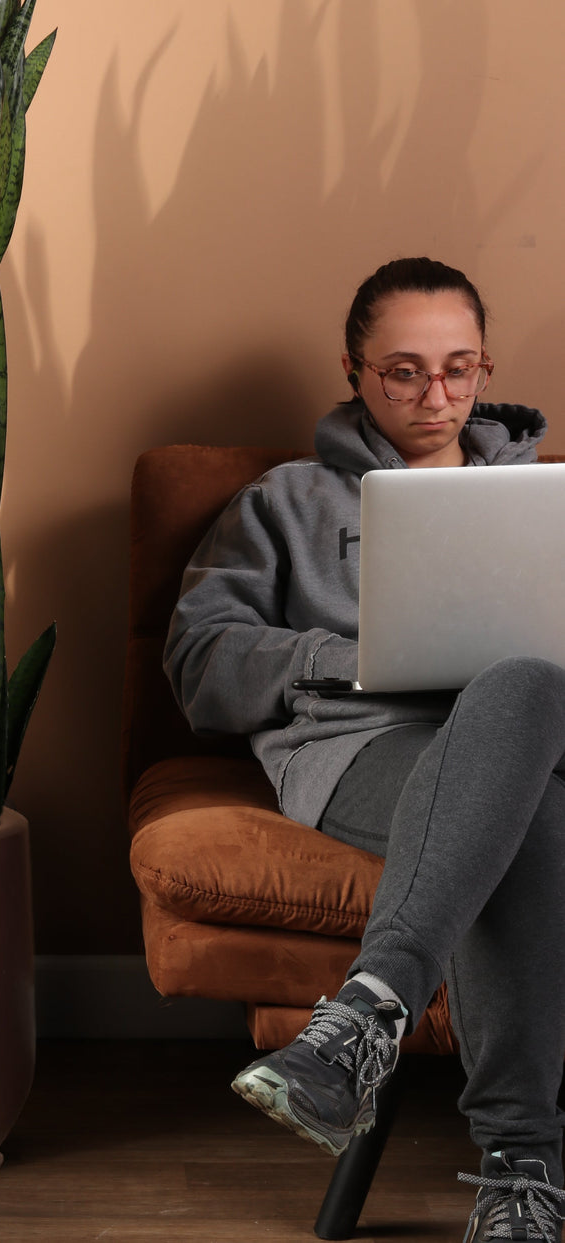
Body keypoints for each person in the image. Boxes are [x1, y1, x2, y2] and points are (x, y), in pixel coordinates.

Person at [164, 257, 565, 1243]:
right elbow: (198, 663)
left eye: (459, 368)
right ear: (351, 370)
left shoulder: (544, 503)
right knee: (529, 810)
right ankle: (520, 1170)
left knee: (518, 691)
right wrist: (356, 658)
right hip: (368, 750)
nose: (436, 395)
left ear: (484, 367)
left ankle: (360, 1023)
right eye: (403, 371)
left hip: (534, 741)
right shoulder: (287, 502)